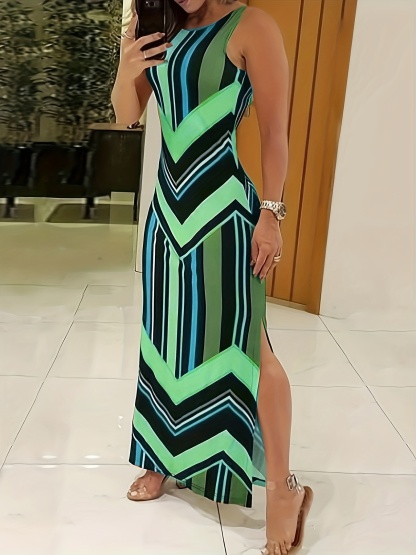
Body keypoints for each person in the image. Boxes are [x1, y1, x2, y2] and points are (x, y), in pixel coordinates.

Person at [111, 1, 313, 553]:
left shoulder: (252, 26)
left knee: (250, 348)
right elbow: (128, 116)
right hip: (166, 216)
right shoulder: (155, 25)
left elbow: (275, 132)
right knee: (165, 340)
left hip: (225, 214)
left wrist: (271, 215)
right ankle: (159, 457)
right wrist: (127, 70)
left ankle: (284, 490)